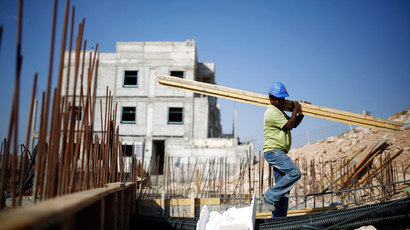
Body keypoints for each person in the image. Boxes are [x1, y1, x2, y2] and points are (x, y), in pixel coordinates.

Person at [262, 81, 305, 218]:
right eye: (279, 99)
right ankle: (268, 197)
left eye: (283, 99)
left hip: (278, 151)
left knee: (283, 190)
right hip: (274, 151)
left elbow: (294, 123)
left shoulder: (278, 112)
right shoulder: (271, 112)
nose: (282, 102)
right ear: (271, 99)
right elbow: (290, 125)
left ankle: (279, 221)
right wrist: (295, 110)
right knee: (294, 173)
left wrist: (301, 113)